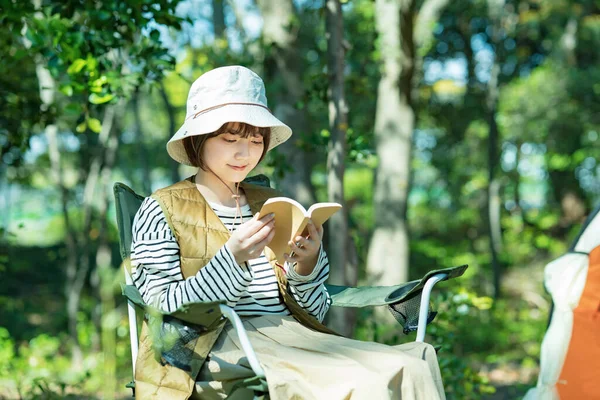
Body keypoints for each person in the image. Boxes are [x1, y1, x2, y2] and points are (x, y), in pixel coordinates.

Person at [130, 65, 445, 400]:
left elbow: (315, 311)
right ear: (198, 139)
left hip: (294, 336)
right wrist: (231, 260)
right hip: (214, 345)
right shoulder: (161, 209)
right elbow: (159, 306)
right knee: (364, 383)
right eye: (229, 139)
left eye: (254, 140)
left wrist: (305, 269)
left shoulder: (274, 205)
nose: (244, 153)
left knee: (414, 364)